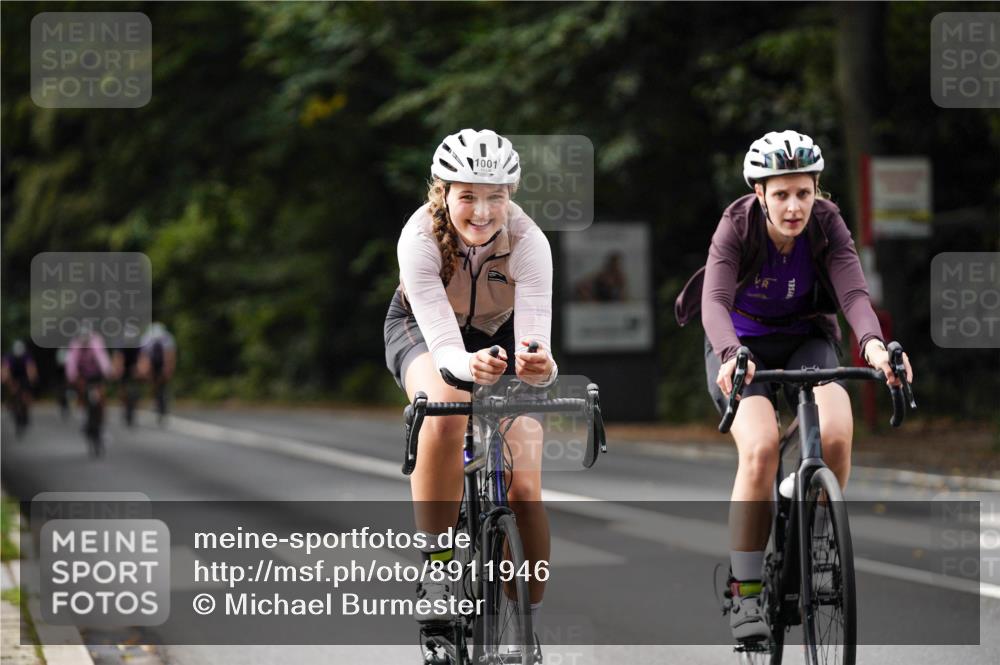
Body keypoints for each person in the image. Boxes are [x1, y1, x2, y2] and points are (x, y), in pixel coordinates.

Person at [675, 130, 913, 641]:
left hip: (806, 338)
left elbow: (852, 294)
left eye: (803, 193)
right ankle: (746, 590)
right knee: (760, 447)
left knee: (837, 433)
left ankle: (815, 540)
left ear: (816, 191)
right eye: (780, 194)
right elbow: (714, 302)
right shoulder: (736, 226)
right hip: (739, 348)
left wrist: (873, 347)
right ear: (759, 193)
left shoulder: (826, 225)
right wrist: (730, 353)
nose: (793, 206)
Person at [384, 128, 556, 656]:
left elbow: (536, 349)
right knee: (448, 404)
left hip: (498, 336)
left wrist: (538, 364)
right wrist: (467, 366)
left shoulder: (529, 242)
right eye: (468, 196)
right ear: (443, 193)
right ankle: (437, 567)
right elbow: (445, 349)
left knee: (524, 489)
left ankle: (520, 621)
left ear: (511, 196)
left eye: (496, 197)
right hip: (424, 333)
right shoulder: (419, 240)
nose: (482, 211)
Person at [65, 325, 114, 447]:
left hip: (96, 374)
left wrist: (108, 372)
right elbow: (71, 362)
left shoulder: (96, 342)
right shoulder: (75, 345)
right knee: (81, 391)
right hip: (82, 376)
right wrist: (72, 377)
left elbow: (102, 358)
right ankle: (83, 416)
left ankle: (102, 427)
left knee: (101, 397)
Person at [138, 322, 176, 422]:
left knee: (163, 381)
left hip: (163, 360)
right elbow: (144, 357)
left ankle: (164, 399)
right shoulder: (146, 339)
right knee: (152, 381)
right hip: (152, 361)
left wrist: (168, 369)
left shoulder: (168, 338)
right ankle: (155, 399)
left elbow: (170, 356)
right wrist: (144, 370)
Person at [2, 340, 39, 432]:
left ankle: (25, 412)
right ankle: (10, 404)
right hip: (12, 376)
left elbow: (31, 369)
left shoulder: (27, 356)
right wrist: (10, 384)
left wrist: (31, 380)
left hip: (24, 377)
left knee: (25, 395)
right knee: (11, 392)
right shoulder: (9, 357)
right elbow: (5, 371)